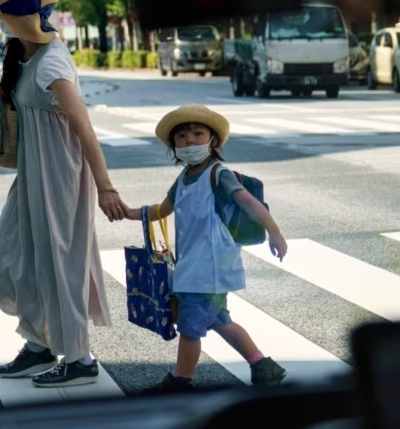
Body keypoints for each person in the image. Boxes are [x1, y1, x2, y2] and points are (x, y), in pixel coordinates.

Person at [0, 0, 129, 388]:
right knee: (15, 257)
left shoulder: (53, 60)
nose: (0, 20)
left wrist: (105, 186)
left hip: (61, 175)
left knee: (60, 264)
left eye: (4, 13)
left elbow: (84, 127)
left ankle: (79, 359)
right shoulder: (25, 55)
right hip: (34, 172)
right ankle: (38, 344)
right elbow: (22, 104)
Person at [124, 104, 289, 392]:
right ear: (174, 146)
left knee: (190, 328)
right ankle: (263, 365)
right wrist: (127, 212)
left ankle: (180, 381)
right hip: (195, 265)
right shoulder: (184, 178)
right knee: (220, 320)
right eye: (182, 137)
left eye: (198, 133)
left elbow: (247, 201)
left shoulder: (217, 173)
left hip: (210, 266)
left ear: (213, 141)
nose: (189, 141)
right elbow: (162, 209)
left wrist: (274, 231)